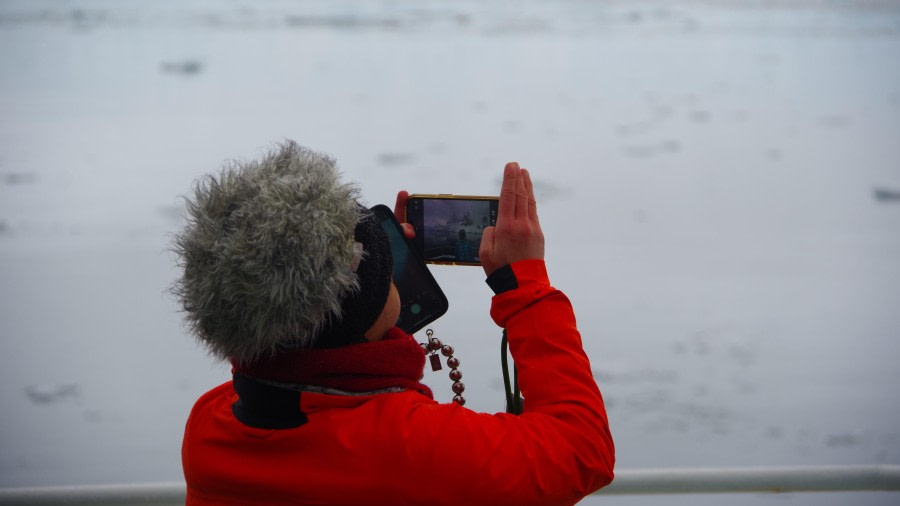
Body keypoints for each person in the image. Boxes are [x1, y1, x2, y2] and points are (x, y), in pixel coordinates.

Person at [175, 141, 614, 505]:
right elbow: (581, 449)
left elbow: (319, 357)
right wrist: (525, 288)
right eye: (385, 277)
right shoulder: (414, 449)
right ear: (363, 310)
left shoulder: (210, 428)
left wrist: (381, 292)